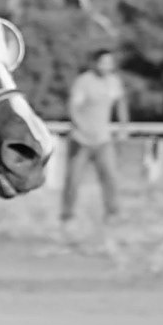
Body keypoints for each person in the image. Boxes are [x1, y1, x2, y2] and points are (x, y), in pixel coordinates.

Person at [59, 48, 129, 225]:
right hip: (81, 140)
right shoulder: (84, 82)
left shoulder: (113, 82)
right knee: (74, 179)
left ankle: (113, 214)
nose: (107, 66)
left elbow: (120, 103)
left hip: (103, 140)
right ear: (95, 63)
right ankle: (68, 216)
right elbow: (73, 107)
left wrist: (123, 127)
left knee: (110, 177)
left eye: (110, 63)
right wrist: (81, 126)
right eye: (103, 62)